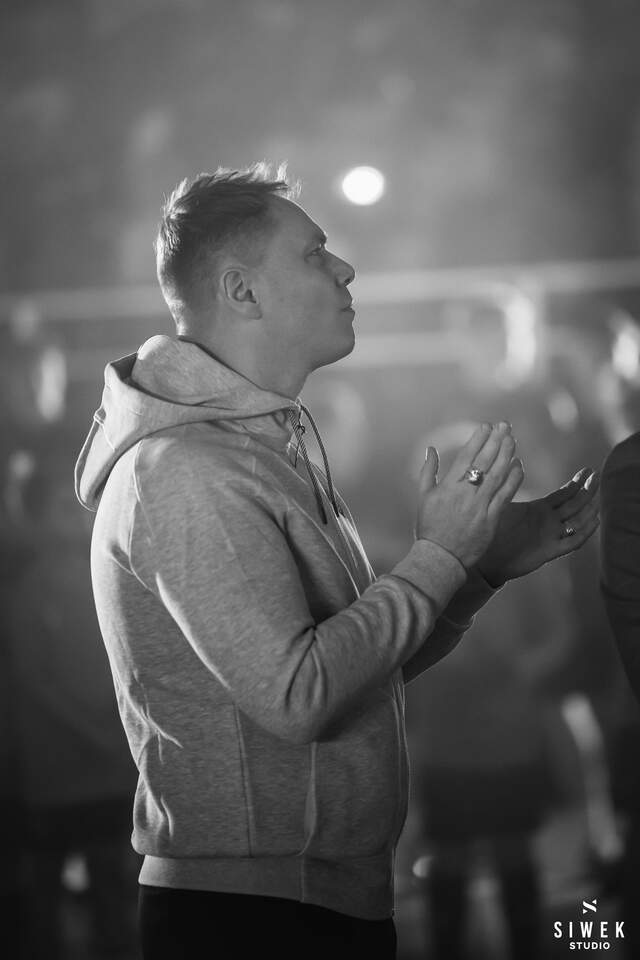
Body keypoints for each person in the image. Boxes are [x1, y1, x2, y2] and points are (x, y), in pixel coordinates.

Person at [74, 164, 600, 960]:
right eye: (315, 254)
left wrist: (474, 571)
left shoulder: (262, 449)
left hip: (310, 896)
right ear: (242, 291)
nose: (346, 269)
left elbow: (356, 676)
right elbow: (299, 697)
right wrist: (437, 554)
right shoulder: (184, 470)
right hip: (248, 917)